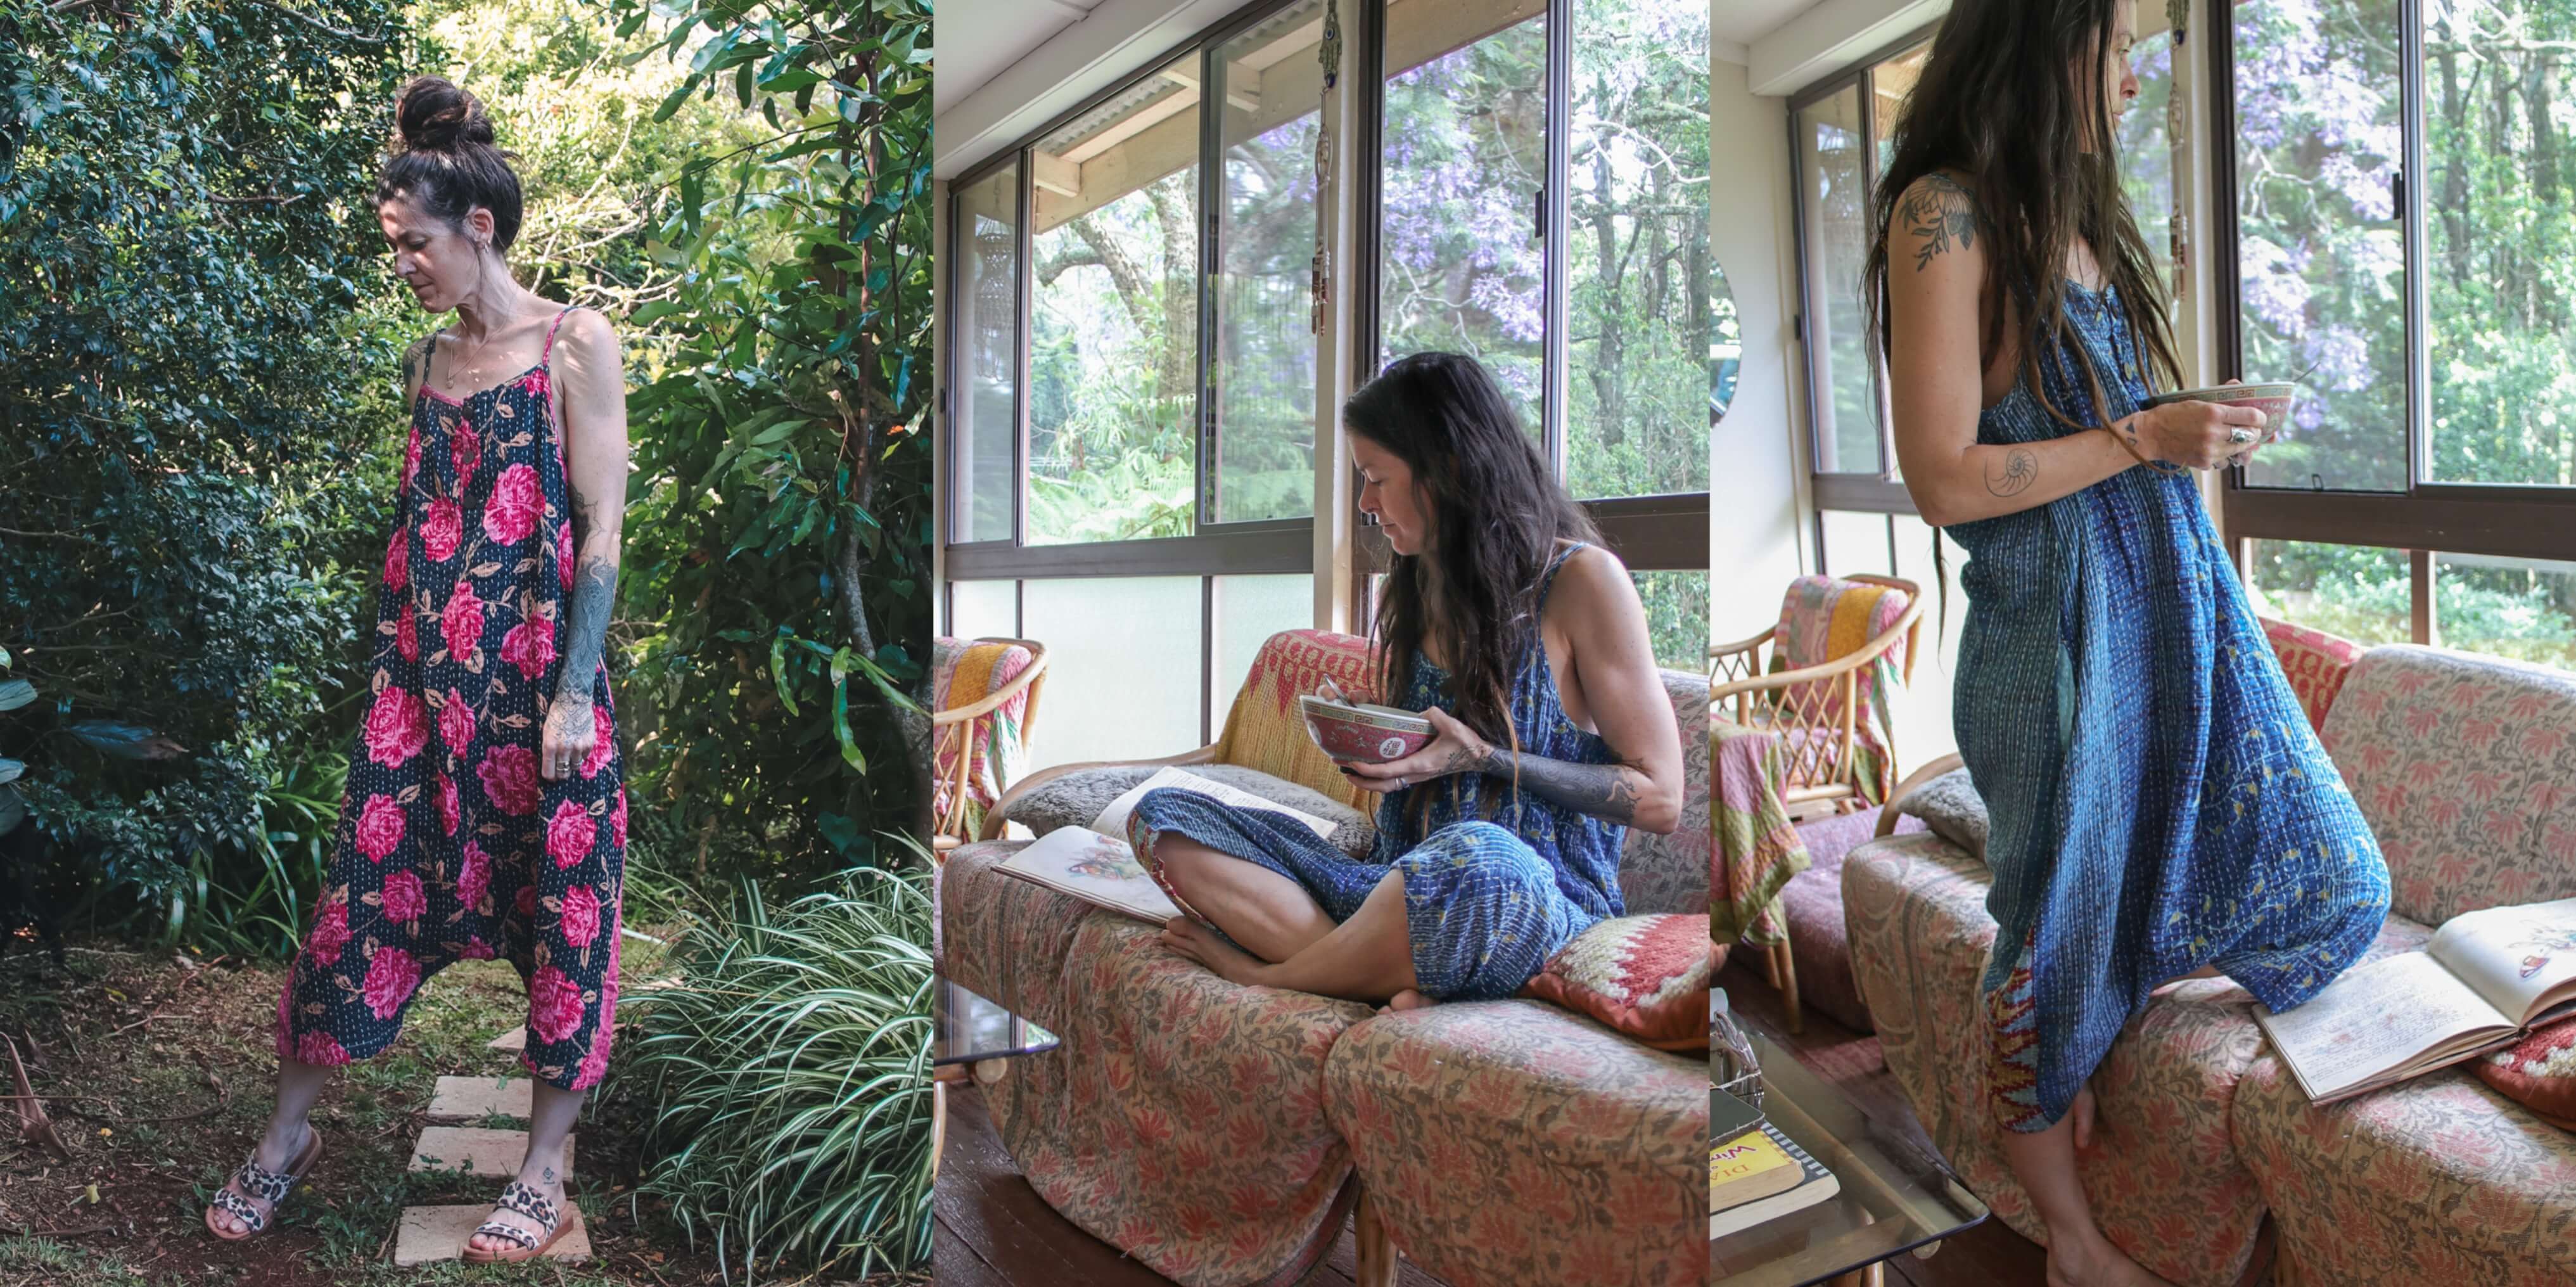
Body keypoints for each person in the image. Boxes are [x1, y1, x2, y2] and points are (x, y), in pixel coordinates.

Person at [1865, 2, 2391, 1284]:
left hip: (2171, 610)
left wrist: (2178, 424)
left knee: (2336, 877)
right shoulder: (1940, 215)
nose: (2134, 78)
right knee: (2048, 939)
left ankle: (2094, 1003)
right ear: (2047, 45)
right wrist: (2143, 438)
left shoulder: (2084, 222)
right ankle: (2075, 1242)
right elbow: (1940, 477)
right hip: (2050, 644)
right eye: (2117, 48)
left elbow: (2091, 435)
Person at [202, 75, 632, 1264]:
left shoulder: (574, 343)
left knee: (567, 918)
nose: (403, 266)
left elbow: (599, 531)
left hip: (545, 689)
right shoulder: (427, 360)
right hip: (421, 697)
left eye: (413, 244)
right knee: (355, 905)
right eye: (396, 247)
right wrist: (401, 676)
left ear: (477, 230)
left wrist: (576, 690)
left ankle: (543, 1168)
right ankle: (287, 1137)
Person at [1137, 352, 1685, 1009]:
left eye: (1376, 478)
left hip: (1524, 901)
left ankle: (1278, 977)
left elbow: (1660, 799)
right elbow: (1418, 779)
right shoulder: (1419, 586)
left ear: (1447, 469)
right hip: (1390, 885)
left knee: (1477, 855)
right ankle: (1384, 971)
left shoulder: (1581, 581)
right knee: (1165, 818)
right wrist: (1376, 741)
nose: (1365, 503)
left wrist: (1484, 758)